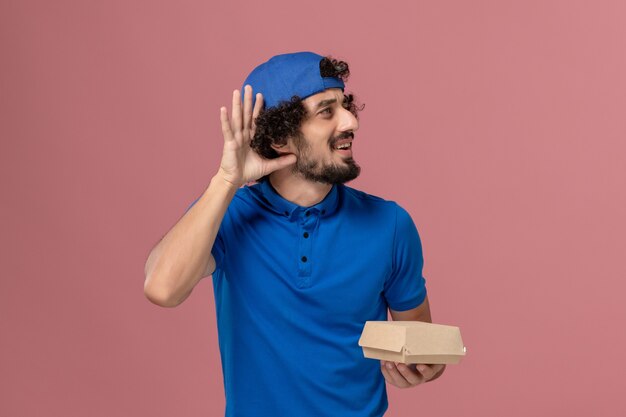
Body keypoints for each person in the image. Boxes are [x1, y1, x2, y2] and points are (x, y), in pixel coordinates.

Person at [144, 51, 446, 417]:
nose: (352, 121)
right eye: (326, 111)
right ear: (282, 139)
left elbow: (424, 346)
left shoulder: (390, 224)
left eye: (345, 106)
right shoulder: (229, 216)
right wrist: (226, 180)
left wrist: (421, 368)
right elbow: (162, 288)